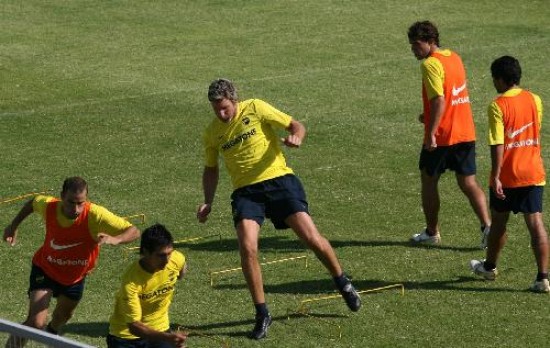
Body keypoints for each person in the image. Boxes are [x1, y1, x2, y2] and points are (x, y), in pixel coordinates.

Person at [197, 78, 361, 340]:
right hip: (246, 193)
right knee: (248, 247)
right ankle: (262, 313)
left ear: (235, 100)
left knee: (311, 238)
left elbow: (296, 125)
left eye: (225, 107)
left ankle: (342, 281)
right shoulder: (211, 133)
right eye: (216, 109)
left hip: (279, 181)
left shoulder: (256, 107)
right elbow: (211, 169)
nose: (221, 113)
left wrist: (297, 136)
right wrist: (208, 201)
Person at [2, 176, 140, 348]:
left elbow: (134, 231)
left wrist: (117, 239)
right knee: (35, 323)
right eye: (71, 202)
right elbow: (32, 202)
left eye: (81, 203)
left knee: (62, 317)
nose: (76, 208)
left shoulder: (95, 215)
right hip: (45, 269)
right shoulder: (49, 206)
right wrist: (13, 226)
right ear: (61, 196)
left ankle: (51, 332)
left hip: (75, 278)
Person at [407, 20, 491, 247]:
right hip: (465, 131)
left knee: (428, 178)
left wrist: (431, 132)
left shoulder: (430, 64)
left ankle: (432, 232)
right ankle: (487, 227)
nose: (413, 49)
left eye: (416, 44)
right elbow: (453, 95)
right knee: (468, 182)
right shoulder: (454, 57)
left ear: (430, 42)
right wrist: (428, 116)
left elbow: (439, 100)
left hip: (443, 136)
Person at [470, 56, 549, 292]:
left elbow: (497, 142)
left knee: (499, 222)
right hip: (534, 171)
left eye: (494, 79)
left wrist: (495, 175)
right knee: (536, 223)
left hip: (509, 175)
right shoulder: (535, 99)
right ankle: (543, 277)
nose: (494, 83)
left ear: (501, 79)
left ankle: (490, 267)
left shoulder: (497, 105)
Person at [107, 223, 188, 347]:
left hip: (160, 328)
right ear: (146, 252)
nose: (166, 260)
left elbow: (182, 268)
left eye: (169, 253)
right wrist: (167, 337)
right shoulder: (131, 281)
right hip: (126, 337)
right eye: (161, 255)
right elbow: (134, 326)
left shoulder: (175, 259)